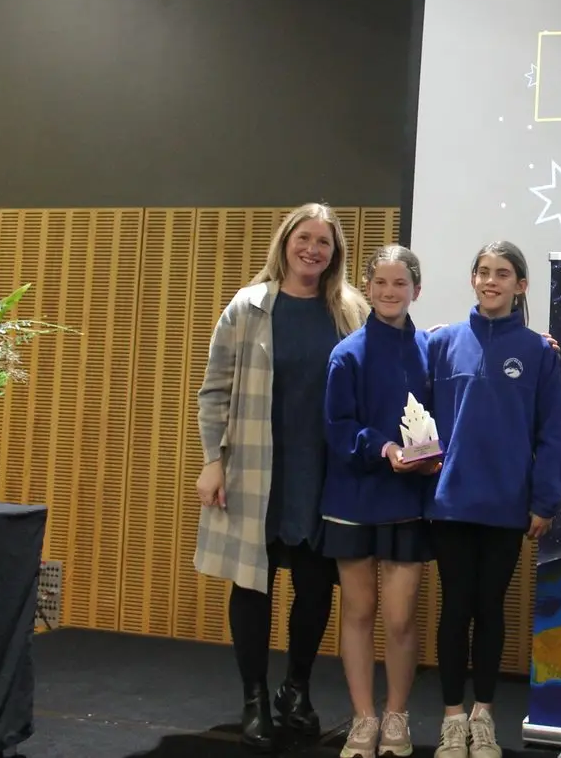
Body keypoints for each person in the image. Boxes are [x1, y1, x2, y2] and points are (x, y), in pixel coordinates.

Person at [194, 203, 368, 752]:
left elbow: (391, 358)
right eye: (304, 238)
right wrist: (212, 459)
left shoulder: (350, 310)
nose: (313, 249)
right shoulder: (248, 306)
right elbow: (214, 390)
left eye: (324, 242)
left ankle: (296, 689)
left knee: (315, 586)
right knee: (253, 583)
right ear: (286, 242)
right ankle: (254, 699)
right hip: (255, 466)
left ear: (335, 253)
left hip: (322, 470)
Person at [426, 241, 561, 758]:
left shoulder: (538, 352)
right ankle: (451, 719)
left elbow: (550, 433)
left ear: (520, 286)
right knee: (454, 608)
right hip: (451, 505)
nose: (491, 281)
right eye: (483, 272)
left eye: (502, 273)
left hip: (507, 506)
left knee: (489, 609)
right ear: (473, 279)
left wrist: (544, 501)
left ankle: (482, 717)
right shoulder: (441, 343)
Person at [321, 245, 441, 758]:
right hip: (353, 497)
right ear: (367, 288)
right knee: (358, 611)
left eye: (400, 283)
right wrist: (384, 448)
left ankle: (396, 715)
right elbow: (338, 428)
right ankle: (363, 718)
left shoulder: (432, 349)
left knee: (399, 617)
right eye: (381, 283)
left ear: (417, 289)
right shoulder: (346, 354)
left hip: (407, 500)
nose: (390, 292)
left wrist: (433, 457)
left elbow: (449, 416)